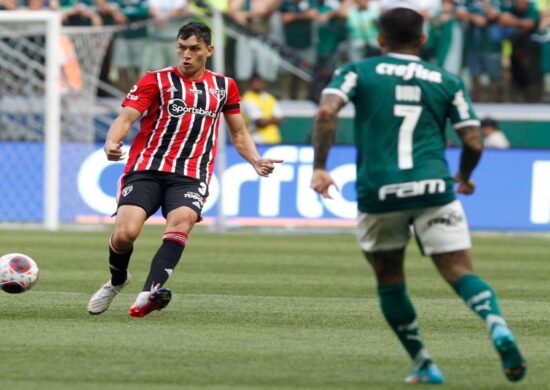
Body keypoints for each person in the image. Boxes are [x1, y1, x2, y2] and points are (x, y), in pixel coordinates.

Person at [310, 7, 526, 384]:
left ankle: (424, 362)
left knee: (390, 276)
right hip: (433, 187)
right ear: (423, 40)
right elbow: (473, 141)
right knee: (459, 271)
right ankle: (498, 327)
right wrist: (464, 176)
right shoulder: (446, 80)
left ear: (380, 39)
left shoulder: (357, 71)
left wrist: (320, 166)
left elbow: (327, 111)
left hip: (380, 190)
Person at [87, 22, 282, 318]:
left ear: (209, 50)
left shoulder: (224, 86)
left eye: (194, 49)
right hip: (147, 167)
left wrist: (255, 160)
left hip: (191, 173)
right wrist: (112, 142)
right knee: (126, 234)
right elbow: (126, 118)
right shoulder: (156, 80)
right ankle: (117, 280)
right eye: (181, 48)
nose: (186, 55)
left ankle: (148, 293)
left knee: (181, 223)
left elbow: (239, 134)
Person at [241, 74, 284, 144]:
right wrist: (273, 119)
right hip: (256, 140)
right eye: (254, 82)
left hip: (274, 139)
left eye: (259, 82)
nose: (257, 84)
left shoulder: (269, 97)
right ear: (250, 84)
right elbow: (259, 122)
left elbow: (280, 119)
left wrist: (266, 120)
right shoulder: (247, 98)